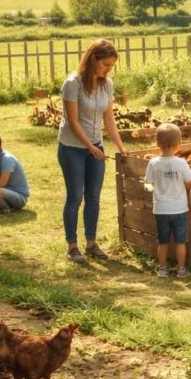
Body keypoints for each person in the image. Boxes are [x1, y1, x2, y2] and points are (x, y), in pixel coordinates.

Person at [58, 39, 128, 265]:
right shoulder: (73, 84)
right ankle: (72, 245)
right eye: (106, 64)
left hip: (95, 146)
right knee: (75, 195)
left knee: (94, 197)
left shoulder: (107, 85)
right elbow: (73, 121)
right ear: (93, 59)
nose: (108, 69)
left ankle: (91, 243)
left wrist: (120, 146)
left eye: (112, 66)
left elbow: (109, 119)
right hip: (73, 148)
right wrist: (89, 147)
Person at [144, 123, 191, 279]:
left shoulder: (153, 163)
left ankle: (162, 269)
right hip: (179, 209)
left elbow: (149, 182)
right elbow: (189, 182)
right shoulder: (181, 163)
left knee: (163, 242)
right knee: (180, 241)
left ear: (157, 143)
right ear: (179, 144)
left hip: (161, 209)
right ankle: (181, 269)